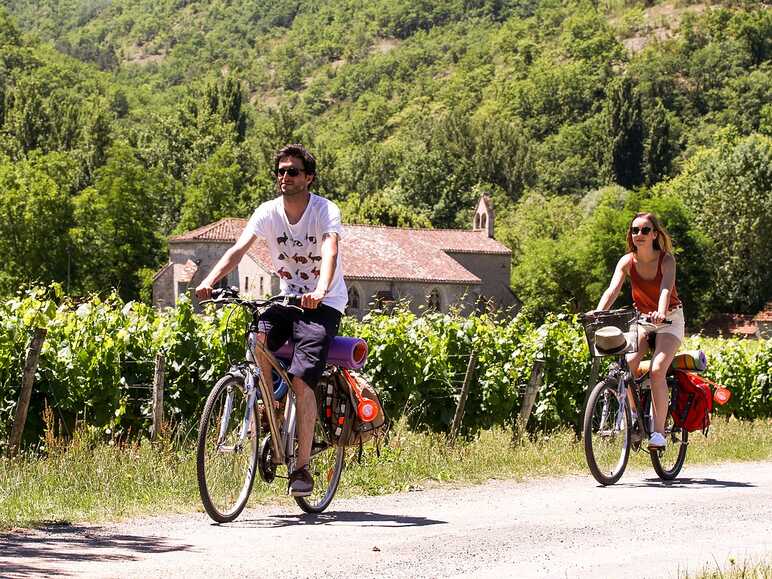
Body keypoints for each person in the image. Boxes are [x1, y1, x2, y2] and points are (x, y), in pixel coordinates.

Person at [195, 144, 347, 496]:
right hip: (285, 298)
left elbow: (330, 250)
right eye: (280, 171)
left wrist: (321, 289)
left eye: (292, 171)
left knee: (301, 381)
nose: (284, 177)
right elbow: (238, 249)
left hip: (323, 304)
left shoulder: (324, 210)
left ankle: (303, 468)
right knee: (257, 338)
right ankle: (270, 409)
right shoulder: (267, 212)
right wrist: (209, 282)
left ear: (308, 177)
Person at [595, 212, 685, 449]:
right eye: (635, 230)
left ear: (655, 234)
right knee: (627, 364)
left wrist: (661, 312)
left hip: (669, 318)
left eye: (645, 230)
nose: (639, 235)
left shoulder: (666, 261)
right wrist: (597, 313)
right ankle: (634, 416)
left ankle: (658, 434)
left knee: (657, 370)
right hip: (643, 319)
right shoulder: (627, 262)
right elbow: (612, 291)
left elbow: (666, 289)